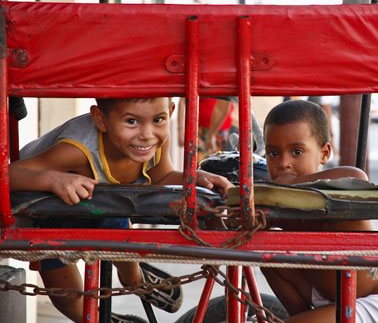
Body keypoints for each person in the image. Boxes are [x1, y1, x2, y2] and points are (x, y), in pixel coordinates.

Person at [10, 97, 233, 323]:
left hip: (104, 204)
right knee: (66, 296)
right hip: (47, 210)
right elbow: (8, 175)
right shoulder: (74, 150)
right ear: (101, 119)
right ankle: (101, 319)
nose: (147, 134)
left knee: (118, 226)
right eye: (131, 122)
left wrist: (195, 178)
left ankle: (135, 278)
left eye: (158, 119)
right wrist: (51, 180)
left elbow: (162, 177)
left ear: (170, 112)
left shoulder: (154, 140)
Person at [261, 99, 378, 323]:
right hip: (322, 297)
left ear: (324, 154)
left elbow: (357, 177)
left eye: (297, 151)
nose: (283, 163)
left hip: (366, 303)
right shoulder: (278, 201)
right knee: (266, 253)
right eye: (273, 153)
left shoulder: (335, 192)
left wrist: (291, 185)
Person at [178, 97, 235, 163]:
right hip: (199, 130)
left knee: (221, 166)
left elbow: (224, 105)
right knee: (198, 164)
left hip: (222, 131)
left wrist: (211, 135)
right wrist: (181, 130)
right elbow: (183, 100)